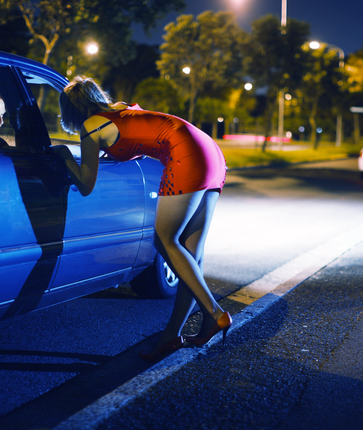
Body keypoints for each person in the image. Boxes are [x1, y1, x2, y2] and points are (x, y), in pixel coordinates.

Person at [55, 76, 231, 362]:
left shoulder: (92, 127)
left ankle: (214, 311)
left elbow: (86, 184)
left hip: (185, 154)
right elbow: (138, 139)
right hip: (210, 151)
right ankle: (175, 334)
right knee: (188, 256)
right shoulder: (121, 110)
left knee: (164, 239)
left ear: (71, 110)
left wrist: (63, 155)